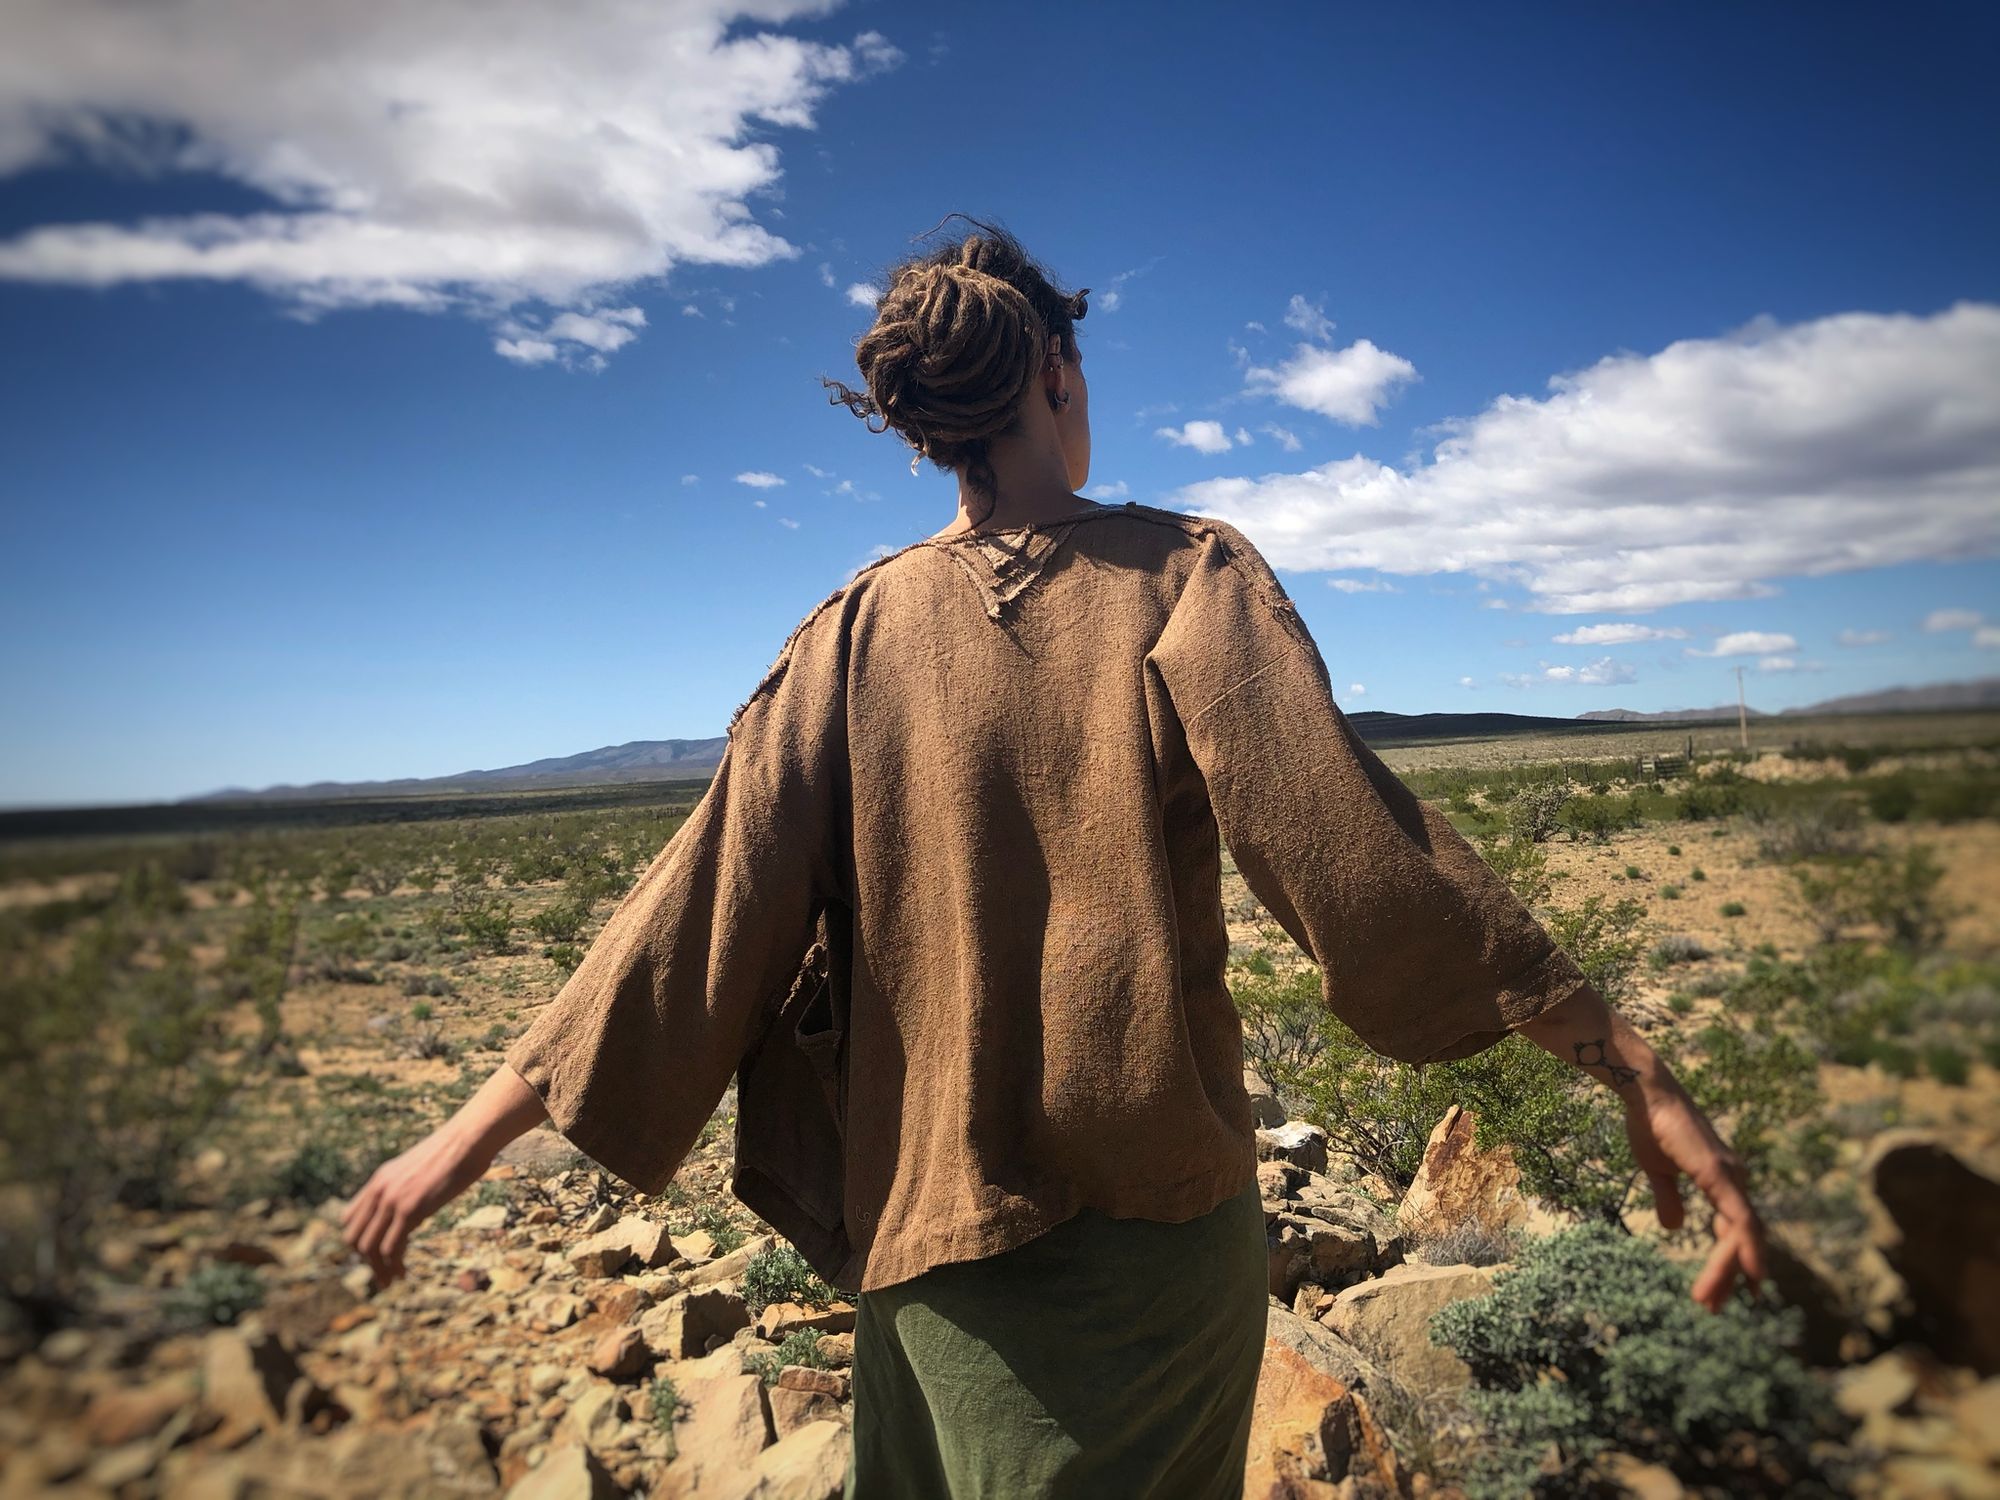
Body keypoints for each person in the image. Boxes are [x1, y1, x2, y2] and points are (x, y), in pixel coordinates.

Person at [341, 214, 1770, 1498]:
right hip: (1151, 1264)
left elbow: (689, 921)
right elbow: (1373, 871)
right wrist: (1631, 1065)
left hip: (926, 1272)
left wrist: (456, 1143)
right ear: (1058, 380)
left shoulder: (846, 637)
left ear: (925, 430)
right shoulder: (1185, 575)